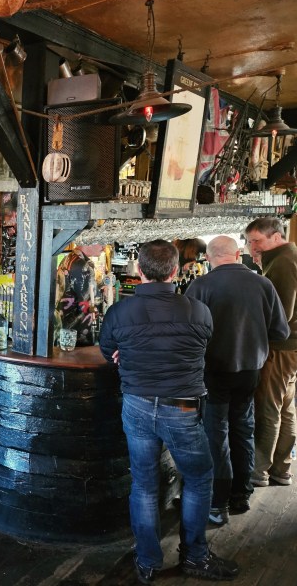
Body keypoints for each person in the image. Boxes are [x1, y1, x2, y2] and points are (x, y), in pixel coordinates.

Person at [99, 239, 239, 583]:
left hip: (138, 405)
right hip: (182, 407)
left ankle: (148, 562)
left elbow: (107, 350)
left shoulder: (119, 311)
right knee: (199, 477)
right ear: (175, 272)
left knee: (144, 484)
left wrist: (124, 353)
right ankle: (195, 556)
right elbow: (201, 347)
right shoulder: (197, 310)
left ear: (141, 272)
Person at [185, 235, 289, 525]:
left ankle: (218, 504)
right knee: (243, 428)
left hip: (213, 371)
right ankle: (241, 496)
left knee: (215, 434)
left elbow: (187, 333)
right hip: (250, 371)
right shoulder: (263, 284)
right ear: (238, 253)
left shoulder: (201, 285)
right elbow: (280, 332)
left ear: (209, 257)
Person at [244, 217, 297, 488]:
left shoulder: (284, 261)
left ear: (276, 236)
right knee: (286, 407)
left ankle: (259, 472)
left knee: (268, 408)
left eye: (257, 241)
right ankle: (281, 469)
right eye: (249, 241)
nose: (252, 247)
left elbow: (281, 314)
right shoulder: (284, 255)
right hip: (291, 347)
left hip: (280, 348)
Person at [54, 243, 104, 346]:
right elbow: (90, 304)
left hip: (64, 329)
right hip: (78, 334)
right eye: (101, 242)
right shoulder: (82, 266)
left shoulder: (69, 258)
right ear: (89, 241)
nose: (104, 247)